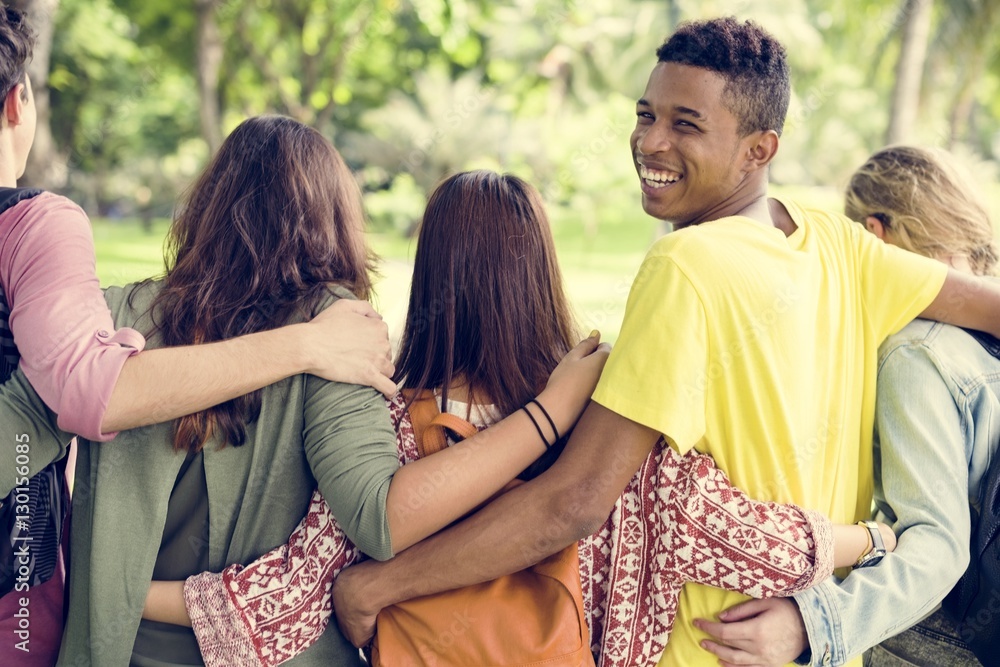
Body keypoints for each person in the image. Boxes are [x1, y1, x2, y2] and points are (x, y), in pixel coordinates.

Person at [327, 17, 1000, 667]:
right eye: (647, 114)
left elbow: (574, 502)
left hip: (703, 647)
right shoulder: (835, 244)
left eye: (686, 125)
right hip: (819, 642)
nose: (651, 142)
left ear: (759, 149)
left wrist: (378, 586)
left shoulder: (684, 269)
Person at [156, 171, 898, 667]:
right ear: (540, 269)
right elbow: (741, 537)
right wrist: (875, 535)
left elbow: (288, 594)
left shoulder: (390, 421)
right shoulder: (610, 425)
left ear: (433, 272)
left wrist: (106, 593)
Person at [40, 116, 608, 667]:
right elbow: (630, 570)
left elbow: (305, 584)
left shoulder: (117, 317)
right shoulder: (596, 409)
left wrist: (99, 584)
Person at [0, 7, 392, 666]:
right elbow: (377, 514)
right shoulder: (341, 333)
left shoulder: (116, 314)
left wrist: (96, 567)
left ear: (207, 206)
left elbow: (15, 435)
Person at [695, 145, 999, 667]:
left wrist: (813, 624)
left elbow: (939, 544)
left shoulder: (915, 353)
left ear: (874, 237)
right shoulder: (986, 329)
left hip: (953, 636)